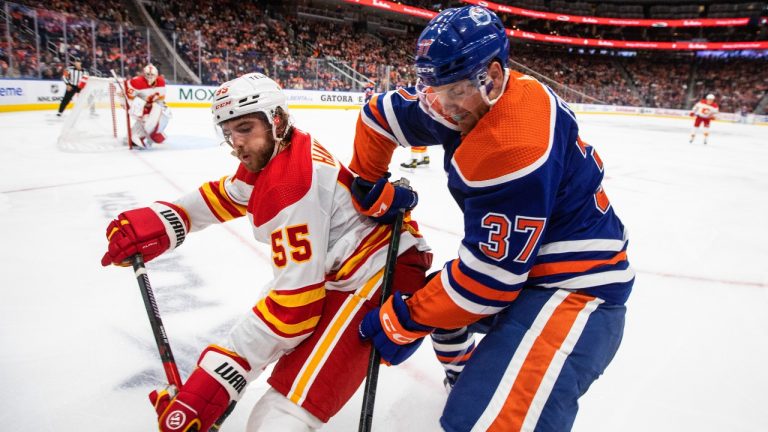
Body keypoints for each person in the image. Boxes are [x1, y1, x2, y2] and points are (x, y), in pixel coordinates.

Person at [352, 6, 634, 431]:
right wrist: (369, 185)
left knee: (485, 423)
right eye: (434, 91)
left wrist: (405, 321)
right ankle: (465, 377)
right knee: (442, 310)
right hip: (528, 267)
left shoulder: (513, 144)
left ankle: (482, 395)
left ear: (494, 76)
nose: (444, 107)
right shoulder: (464, 98)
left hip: (578, 290)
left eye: (454, 91)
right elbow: (378, 116)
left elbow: (487, 284)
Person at [100, 72, 432, 432]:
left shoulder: (290, 185)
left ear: (277, 120)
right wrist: (168, 219)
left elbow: (294, 309)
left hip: (380, 273)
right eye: (229, 132)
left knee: (280, 415)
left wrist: (212, 386)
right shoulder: (281, 150)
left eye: (245, 128)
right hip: (345, 268)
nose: (237, 144)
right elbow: (230, 194)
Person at [125, 64, 171, 148]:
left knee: (166, 113)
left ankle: (155, 134)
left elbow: (160, 100)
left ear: (156, 75)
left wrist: (153, 105)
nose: (150, 76)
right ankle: (139, 136)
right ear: (144, 74)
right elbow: (130, 99)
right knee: (144, 117)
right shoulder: (136, 82)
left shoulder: (161, 82)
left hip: (152, 104)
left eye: (152, 74)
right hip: (139, 106)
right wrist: (139, 107)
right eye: (148, 74)